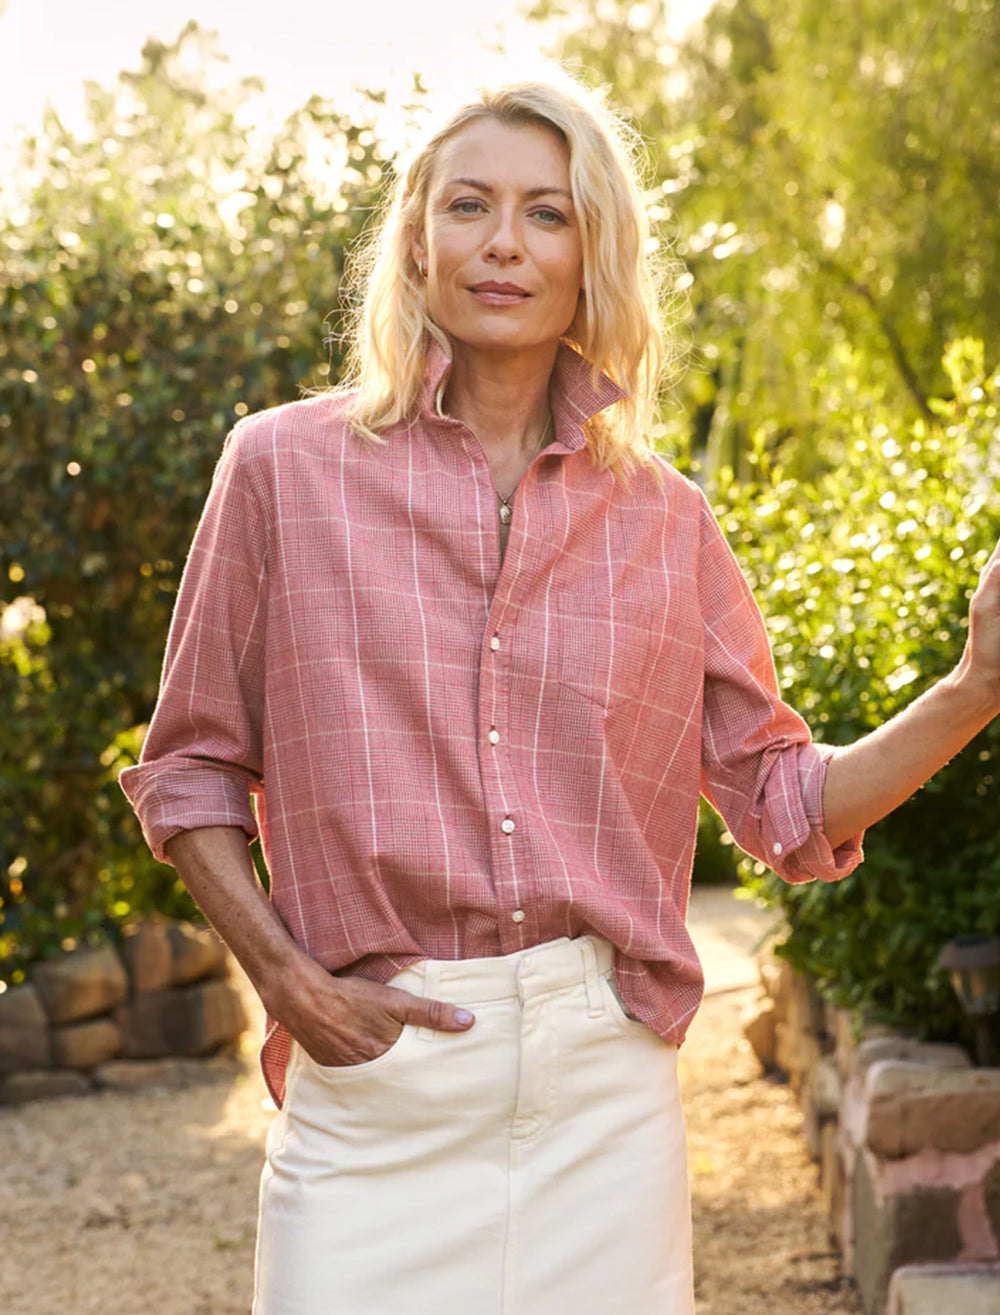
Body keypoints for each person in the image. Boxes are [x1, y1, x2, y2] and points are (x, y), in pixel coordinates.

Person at [120, 70, 1000, 1315]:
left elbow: (786, 805)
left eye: (547, 212)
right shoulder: (278, 471)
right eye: (469, 205)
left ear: (594, 253)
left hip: (599, 1092)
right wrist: (286, 980)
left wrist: (972, 686)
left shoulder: (665, 521)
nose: (502, 243)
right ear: (416, 238)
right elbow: (190, 771)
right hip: (375, 1082)